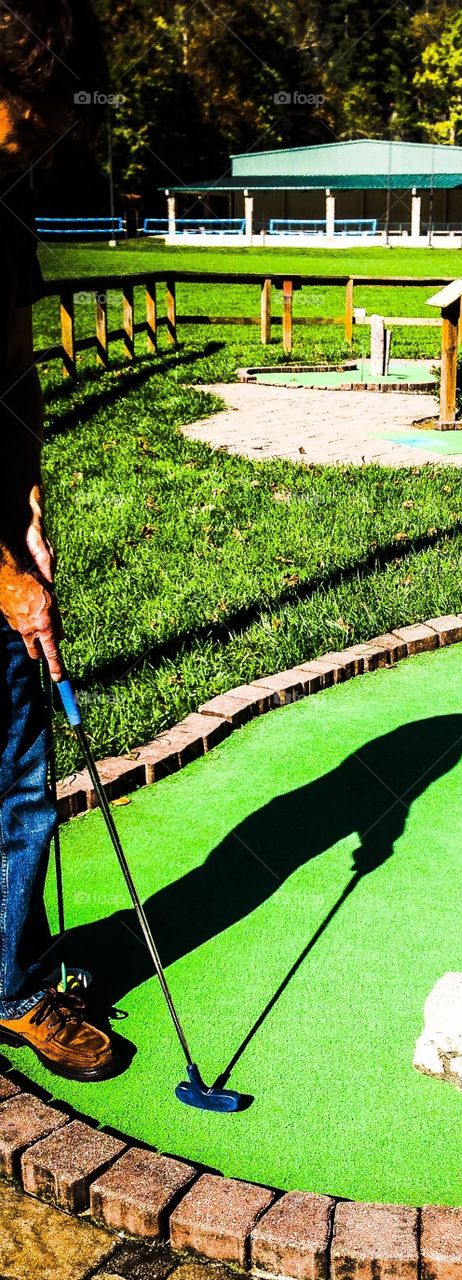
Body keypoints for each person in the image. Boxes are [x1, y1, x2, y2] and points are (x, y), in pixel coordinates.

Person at [0, 1, 119, 1079]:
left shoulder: (8, 194)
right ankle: (17, 990)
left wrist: (29, 506)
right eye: (35, 111)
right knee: (17, 787)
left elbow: (16, 364)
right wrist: (3, 576)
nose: (48, 135)